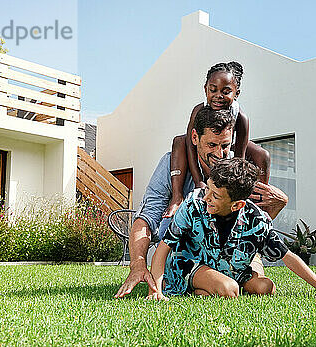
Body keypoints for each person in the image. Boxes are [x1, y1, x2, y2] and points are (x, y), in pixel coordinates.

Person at [114, 106, 287, 298]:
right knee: (226, 288)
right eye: (212, 145)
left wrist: (278, 205)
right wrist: (138, 263)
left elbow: (253, 225)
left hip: (231, 251)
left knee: (261, 288)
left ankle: (211, 286)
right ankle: (201, 281)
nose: (220, 154)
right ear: (195, 138)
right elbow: (145, 219)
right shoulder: (172, 164)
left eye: (225, 146)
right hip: (188, 251)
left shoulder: (237, 170)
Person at [146, 158, 316, 300]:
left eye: (216, 195)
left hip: (232, 269)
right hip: (190, 265)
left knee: (266, 288)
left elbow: (288, 257)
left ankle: (206, 291)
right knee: (229, 290)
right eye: (208, 188)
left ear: (237, 204)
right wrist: (155, 290)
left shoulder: (256, 219)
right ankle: (204, 287)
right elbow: (163, 248)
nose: (207, 197)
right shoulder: (193, 204)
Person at [163, 61, 271, 218]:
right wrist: (198, 180)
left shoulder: (241, 117)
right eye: (212, 90)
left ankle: (258, 205)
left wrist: (233, 184)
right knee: (179, 141)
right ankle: (177, 196)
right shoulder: (199, 110)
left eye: (225, 92)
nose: (218, 96)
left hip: (229, 143)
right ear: (205, 89)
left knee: (262, 155)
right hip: (206, 141)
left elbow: (239, 155)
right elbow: (190, 146)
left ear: (237, 93)